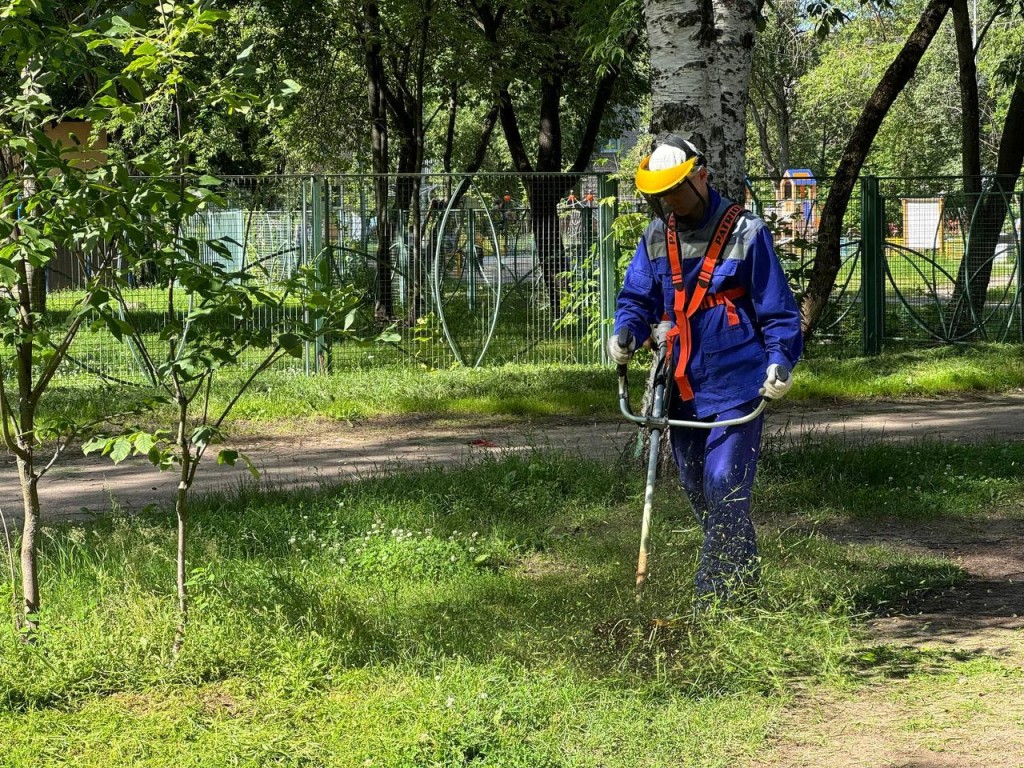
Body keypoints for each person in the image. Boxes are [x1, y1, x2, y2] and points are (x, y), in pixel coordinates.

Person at [608, 135, 803, 604]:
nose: (668, 201)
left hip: (737, 383)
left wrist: (780, 360)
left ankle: (709, 604)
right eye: (661, 193)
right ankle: (746, 588)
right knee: (700, 489)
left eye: (676, 189)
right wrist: (626, 332)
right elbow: (637, 299)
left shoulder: (746, 233)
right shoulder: (657, 237)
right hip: (681, 387)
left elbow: (777, 310)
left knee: (725, 485)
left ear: (701, 177)